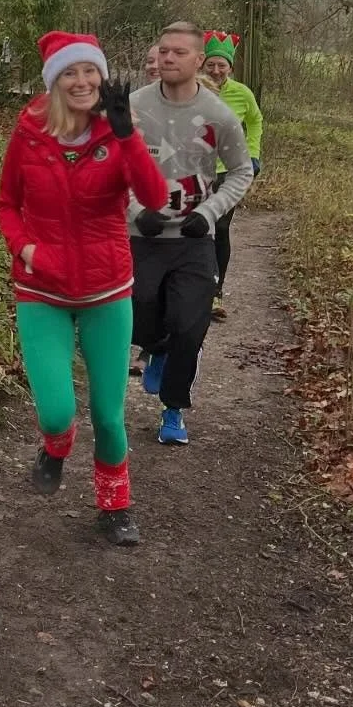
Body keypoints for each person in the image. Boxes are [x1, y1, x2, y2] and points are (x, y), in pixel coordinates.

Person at [0, 31, 170, 545]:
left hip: (106, 290)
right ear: (54, 81)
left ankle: (115, 507)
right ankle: (56, 445)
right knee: (57, 409)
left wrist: (126, 137)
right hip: (42, 290)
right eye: (70, 72)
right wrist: (25, 249)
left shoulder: (117, 132)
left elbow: (154, 197)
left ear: (101, 76)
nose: (81, 81)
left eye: (89, 71)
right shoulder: (29, 133)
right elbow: (7, 204)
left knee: (109, 415)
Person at [128, 23, 253, 445]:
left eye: (178, 52)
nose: (167, 59)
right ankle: (156, 347)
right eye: (163, 51)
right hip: (142, 236)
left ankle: (173, 409)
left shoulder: (220, 116)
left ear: (199, 61)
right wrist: (134, 208)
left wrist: (211, 211)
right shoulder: (133, 108)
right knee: (140, 318)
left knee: (190, 323)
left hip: (193, 236)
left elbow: (240, 171)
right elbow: (109, 165)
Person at [200, 31, 263, 314]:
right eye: (211, 65)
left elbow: (256, 121)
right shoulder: (194, 90)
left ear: (230, 68)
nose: (215, 71)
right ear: (203, 64)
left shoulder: (242, 93)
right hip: (196, 170)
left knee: (221, 227)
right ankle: (195, 285)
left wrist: (252, 156)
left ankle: (215, 292)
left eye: (221, 65)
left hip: (229, 171)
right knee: (198, 229)